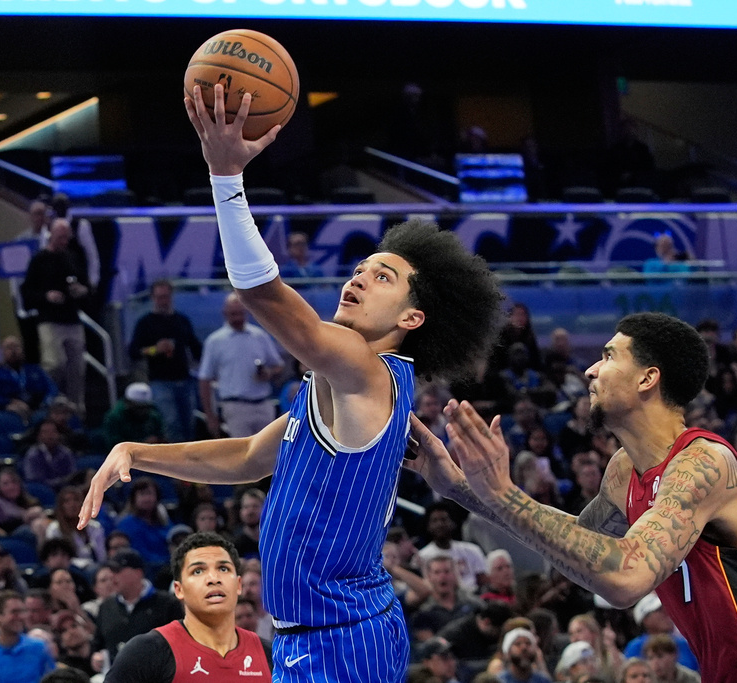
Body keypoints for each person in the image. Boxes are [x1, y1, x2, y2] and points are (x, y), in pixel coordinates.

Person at [80, 88, 503, 683]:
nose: (358, 278)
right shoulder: (340, 380)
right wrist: (136, 452)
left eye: (382, 277)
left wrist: (226, 177)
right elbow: (250, 455)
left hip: (344, 639)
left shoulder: (364, 368)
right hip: (321, 633)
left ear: (411, 319)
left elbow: (262, 294)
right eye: (359, 269)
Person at [407, 312, 737, 681]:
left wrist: (504, 492)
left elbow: (625, 578)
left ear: (647, 378)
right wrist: (459, 488)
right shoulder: (623, 471)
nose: (590, 370)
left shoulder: (704, 463)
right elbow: (572, 545)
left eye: (607, 356)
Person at [104, 532, 272, 683]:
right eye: (198, 571)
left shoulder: (269, 654)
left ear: (238, 585)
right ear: (179, 589)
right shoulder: (145, 653)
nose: (213, 578)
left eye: (223, 568)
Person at [20, 218, 91, 413]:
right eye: (60, 237)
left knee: (77, 366)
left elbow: (87, 286)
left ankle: (77, 407)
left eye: (66, 237)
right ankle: (51, 400)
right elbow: (26, 292)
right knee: (55, 363)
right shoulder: (39, 260)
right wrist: (46, 296)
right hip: (49, 319)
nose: (64, 241)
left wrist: (81, 290)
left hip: (72, 318)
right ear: (51, 235)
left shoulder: (73, 257)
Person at [197, 292, 284, 439]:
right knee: (242, 454)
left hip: (263, 403)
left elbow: (278, 365)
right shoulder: (215, 341)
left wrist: (268, 373)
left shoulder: (259, 336)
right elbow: (205, 379)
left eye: (240, 313)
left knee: (269, 454)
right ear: (225, 313)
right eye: (233, 314)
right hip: (235, 406)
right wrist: (210, 416)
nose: (237, 318)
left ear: (247, 312)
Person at [127, 279, 203, 443]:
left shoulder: (181, 321)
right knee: (171, 423)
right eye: (160, 297)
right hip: (160, 381)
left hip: (184, 379)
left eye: (166, 297)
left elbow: (196, 347)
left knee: (189, 424)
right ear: (153, 298)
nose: (163, 301)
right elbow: (134, 351)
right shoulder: (146, 323)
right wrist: (155, 349)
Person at [91, 548, 183, 664]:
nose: (111, 576)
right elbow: (97, 645)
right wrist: (96, 658)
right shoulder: (106, 607)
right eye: (111, 571)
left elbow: (181, 643)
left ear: (138, 573)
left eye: (117, 571)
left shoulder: (167, 603)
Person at [0, 591, 56, 683]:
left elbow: (52, 679)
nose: (21, 617)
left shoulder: (39, 648)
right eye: (14, 612)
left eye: (23, 611)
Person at [0, 336, 58, 421]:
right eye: (9, 348)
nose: (13, 351)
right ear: (2, 352)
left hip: (40, 406)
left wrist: (46, 402)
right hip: (11, 409)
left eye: (16, 347)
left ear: (22, 350)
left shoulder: (35, 369)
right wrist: (9, 402)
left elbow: (52, 388)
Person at [101, 383, 165, 450]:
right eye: (139, 407)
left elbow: (162, 437)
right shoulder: (114, 417)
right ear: (128, 403)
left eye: (145, 407)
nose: (143, 411)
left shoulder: (153, 415)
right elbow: (113, 445)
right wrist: (143, 443)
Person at [22, 419, 77, 488]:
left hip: (65, 490)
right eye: (46, 432)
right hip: (43, 491)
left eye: (53, 432)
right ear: (39, 436)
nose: (50, 435)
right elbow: (34, 480)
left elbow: (72, 475)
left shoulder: (66, 453)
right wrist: (60, 482)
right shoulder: (33, 455)